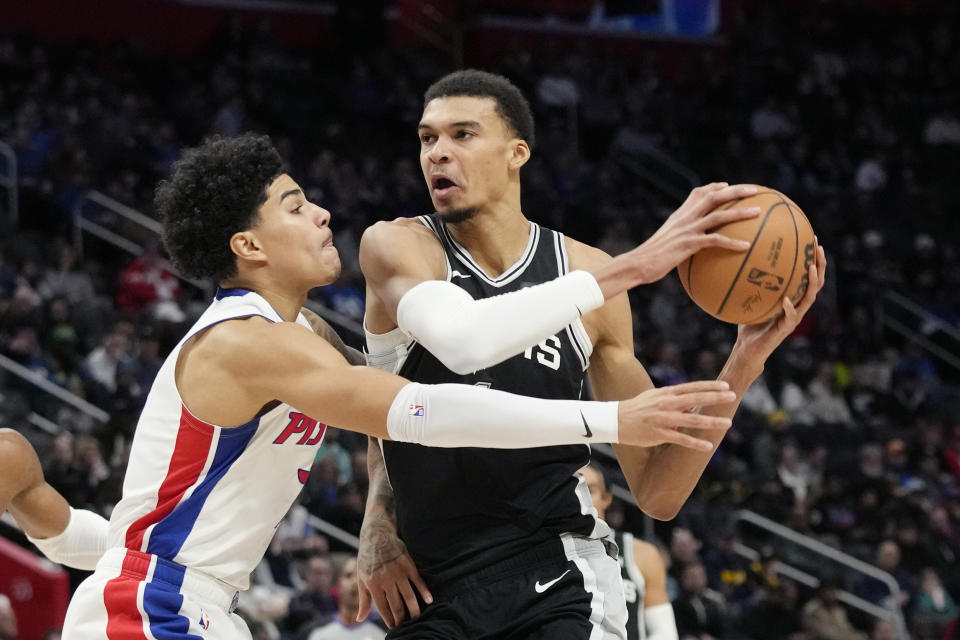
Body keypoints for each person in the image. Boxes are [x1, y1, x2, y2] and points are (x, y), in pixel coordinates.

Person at [47, 133, 736, 639]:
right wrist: (610, 420)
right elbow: (422, 410)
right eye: (294, 207)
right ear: (248, 247)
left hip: (198, 605)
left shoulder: (306, 335)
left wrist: (377, 528)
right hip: (147, 608)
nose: (321, 214)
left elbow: (410, 381)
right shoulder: (247, 344)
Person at [357, 69, 826, 638]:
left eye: (463, 135)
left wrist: (745, 360)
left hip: (558, 571)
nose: (438, 154)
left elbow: (657, 489)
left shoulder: (585, 273)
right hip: (431, 584)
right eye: (428, 138)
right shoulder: (398, 245)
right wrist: (377, 525)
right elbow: (454, 353)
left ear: (516, 153)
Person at [582, 464, 678, 640]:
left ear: (607, 498)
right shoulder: (542, 550)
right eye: (575, 490)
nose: (583, 497)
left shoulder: (640, 553)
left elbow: (664, 632)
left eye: (590, 489)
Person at [306, 557, 385, 640]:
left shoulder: (382, 634)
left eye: (361, 577)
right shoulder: (318, 632)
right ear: (337, 583)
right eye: (348, 575)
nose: (355, 582)